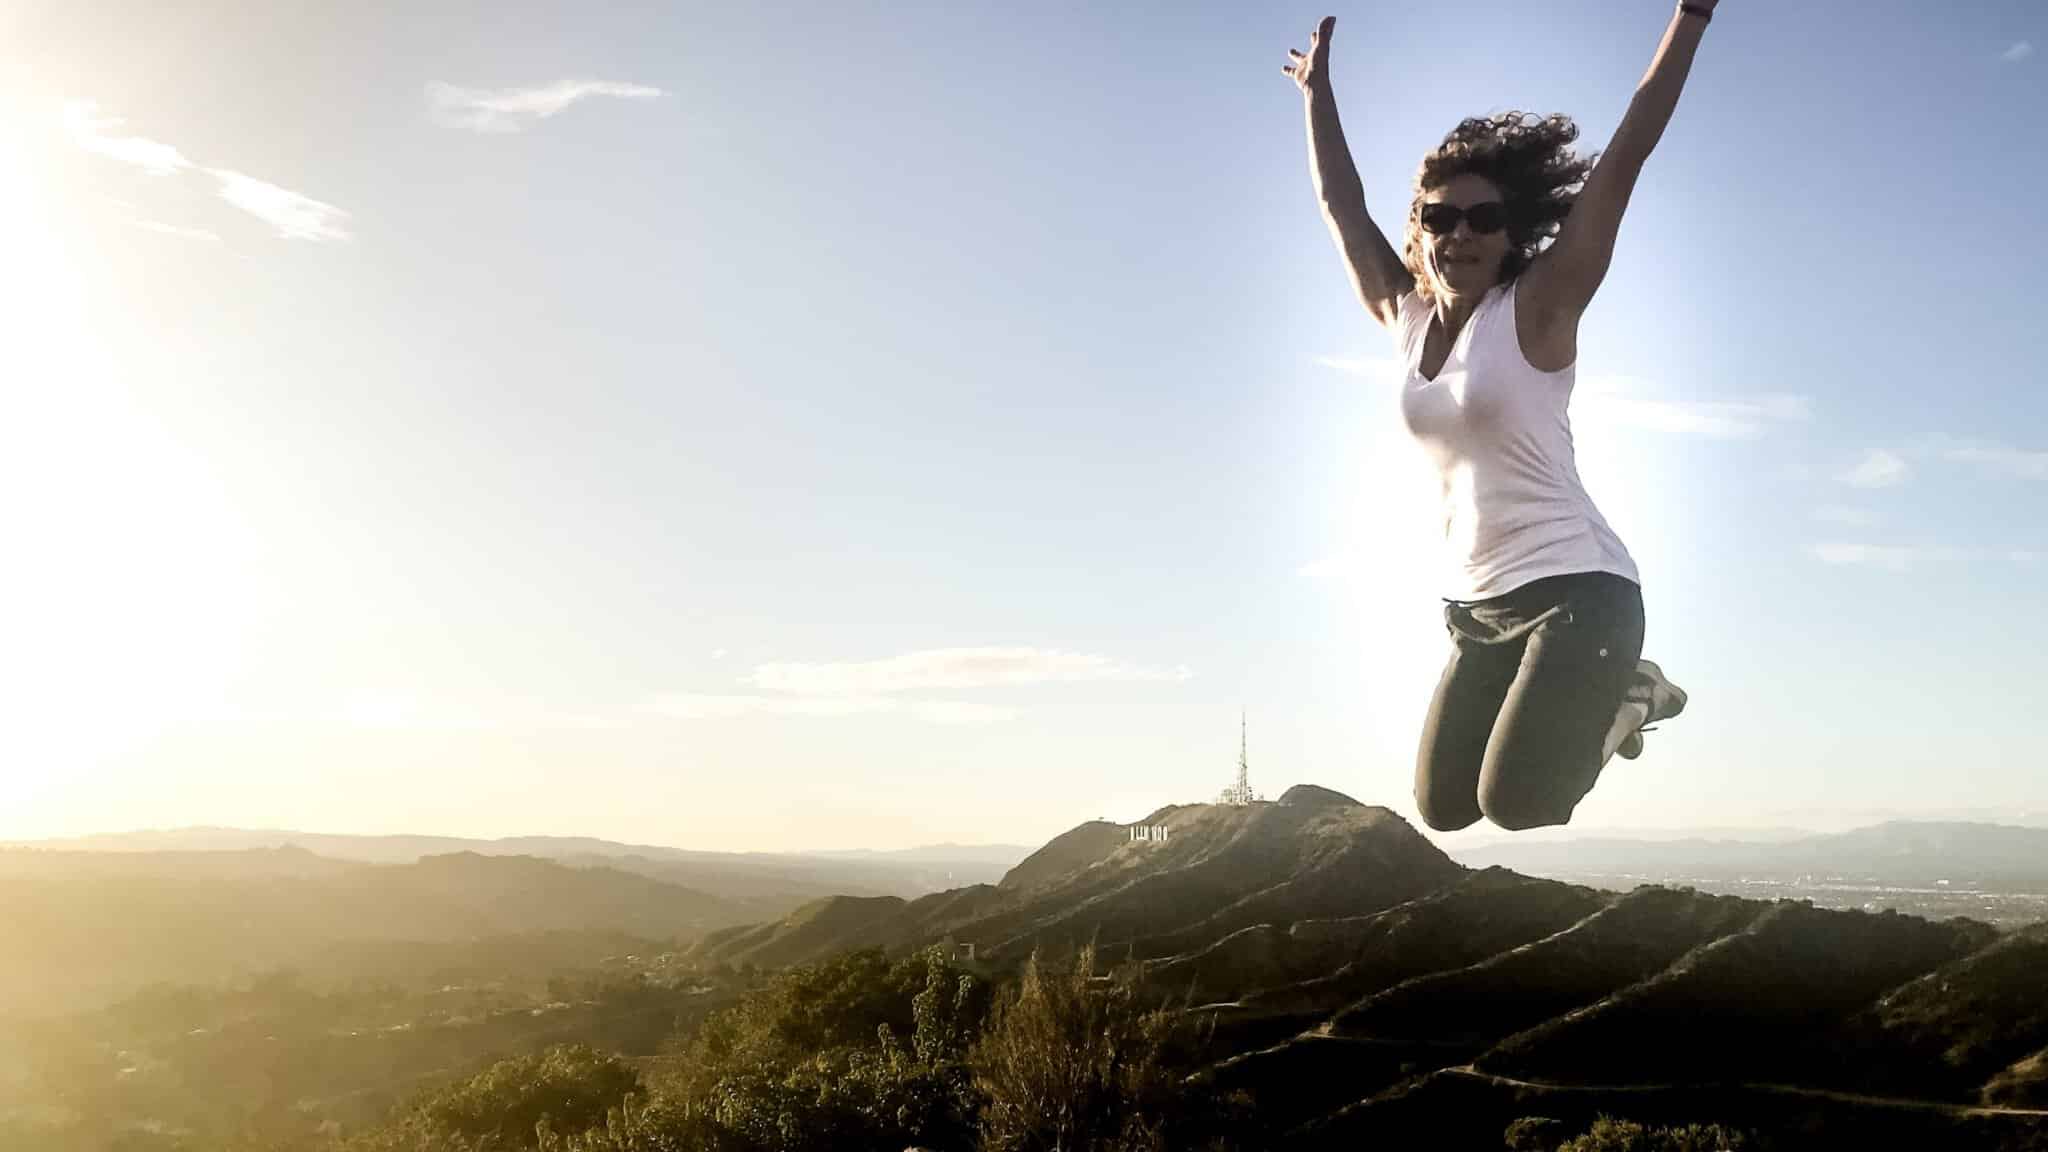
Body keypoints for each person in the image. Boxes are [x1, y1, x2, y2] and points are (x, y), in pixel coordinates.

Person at [1284, 4, 1716, 832]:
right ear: (1421, 229)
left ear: (1511, 232)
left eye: (1483, 218)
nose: (1461, 234)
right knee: (1444, 810)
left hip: (1578, 595)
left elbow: (1624, 156)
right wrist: (1317, 94)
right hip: (1477, 611)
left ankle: (1633, 693)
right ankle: (1606, 691)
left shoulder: (1539, 307)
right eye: (1441, 217)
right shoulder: (1405, 321)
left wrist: (1690, 18)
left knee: (1519, 804)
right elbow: (1342, 206)